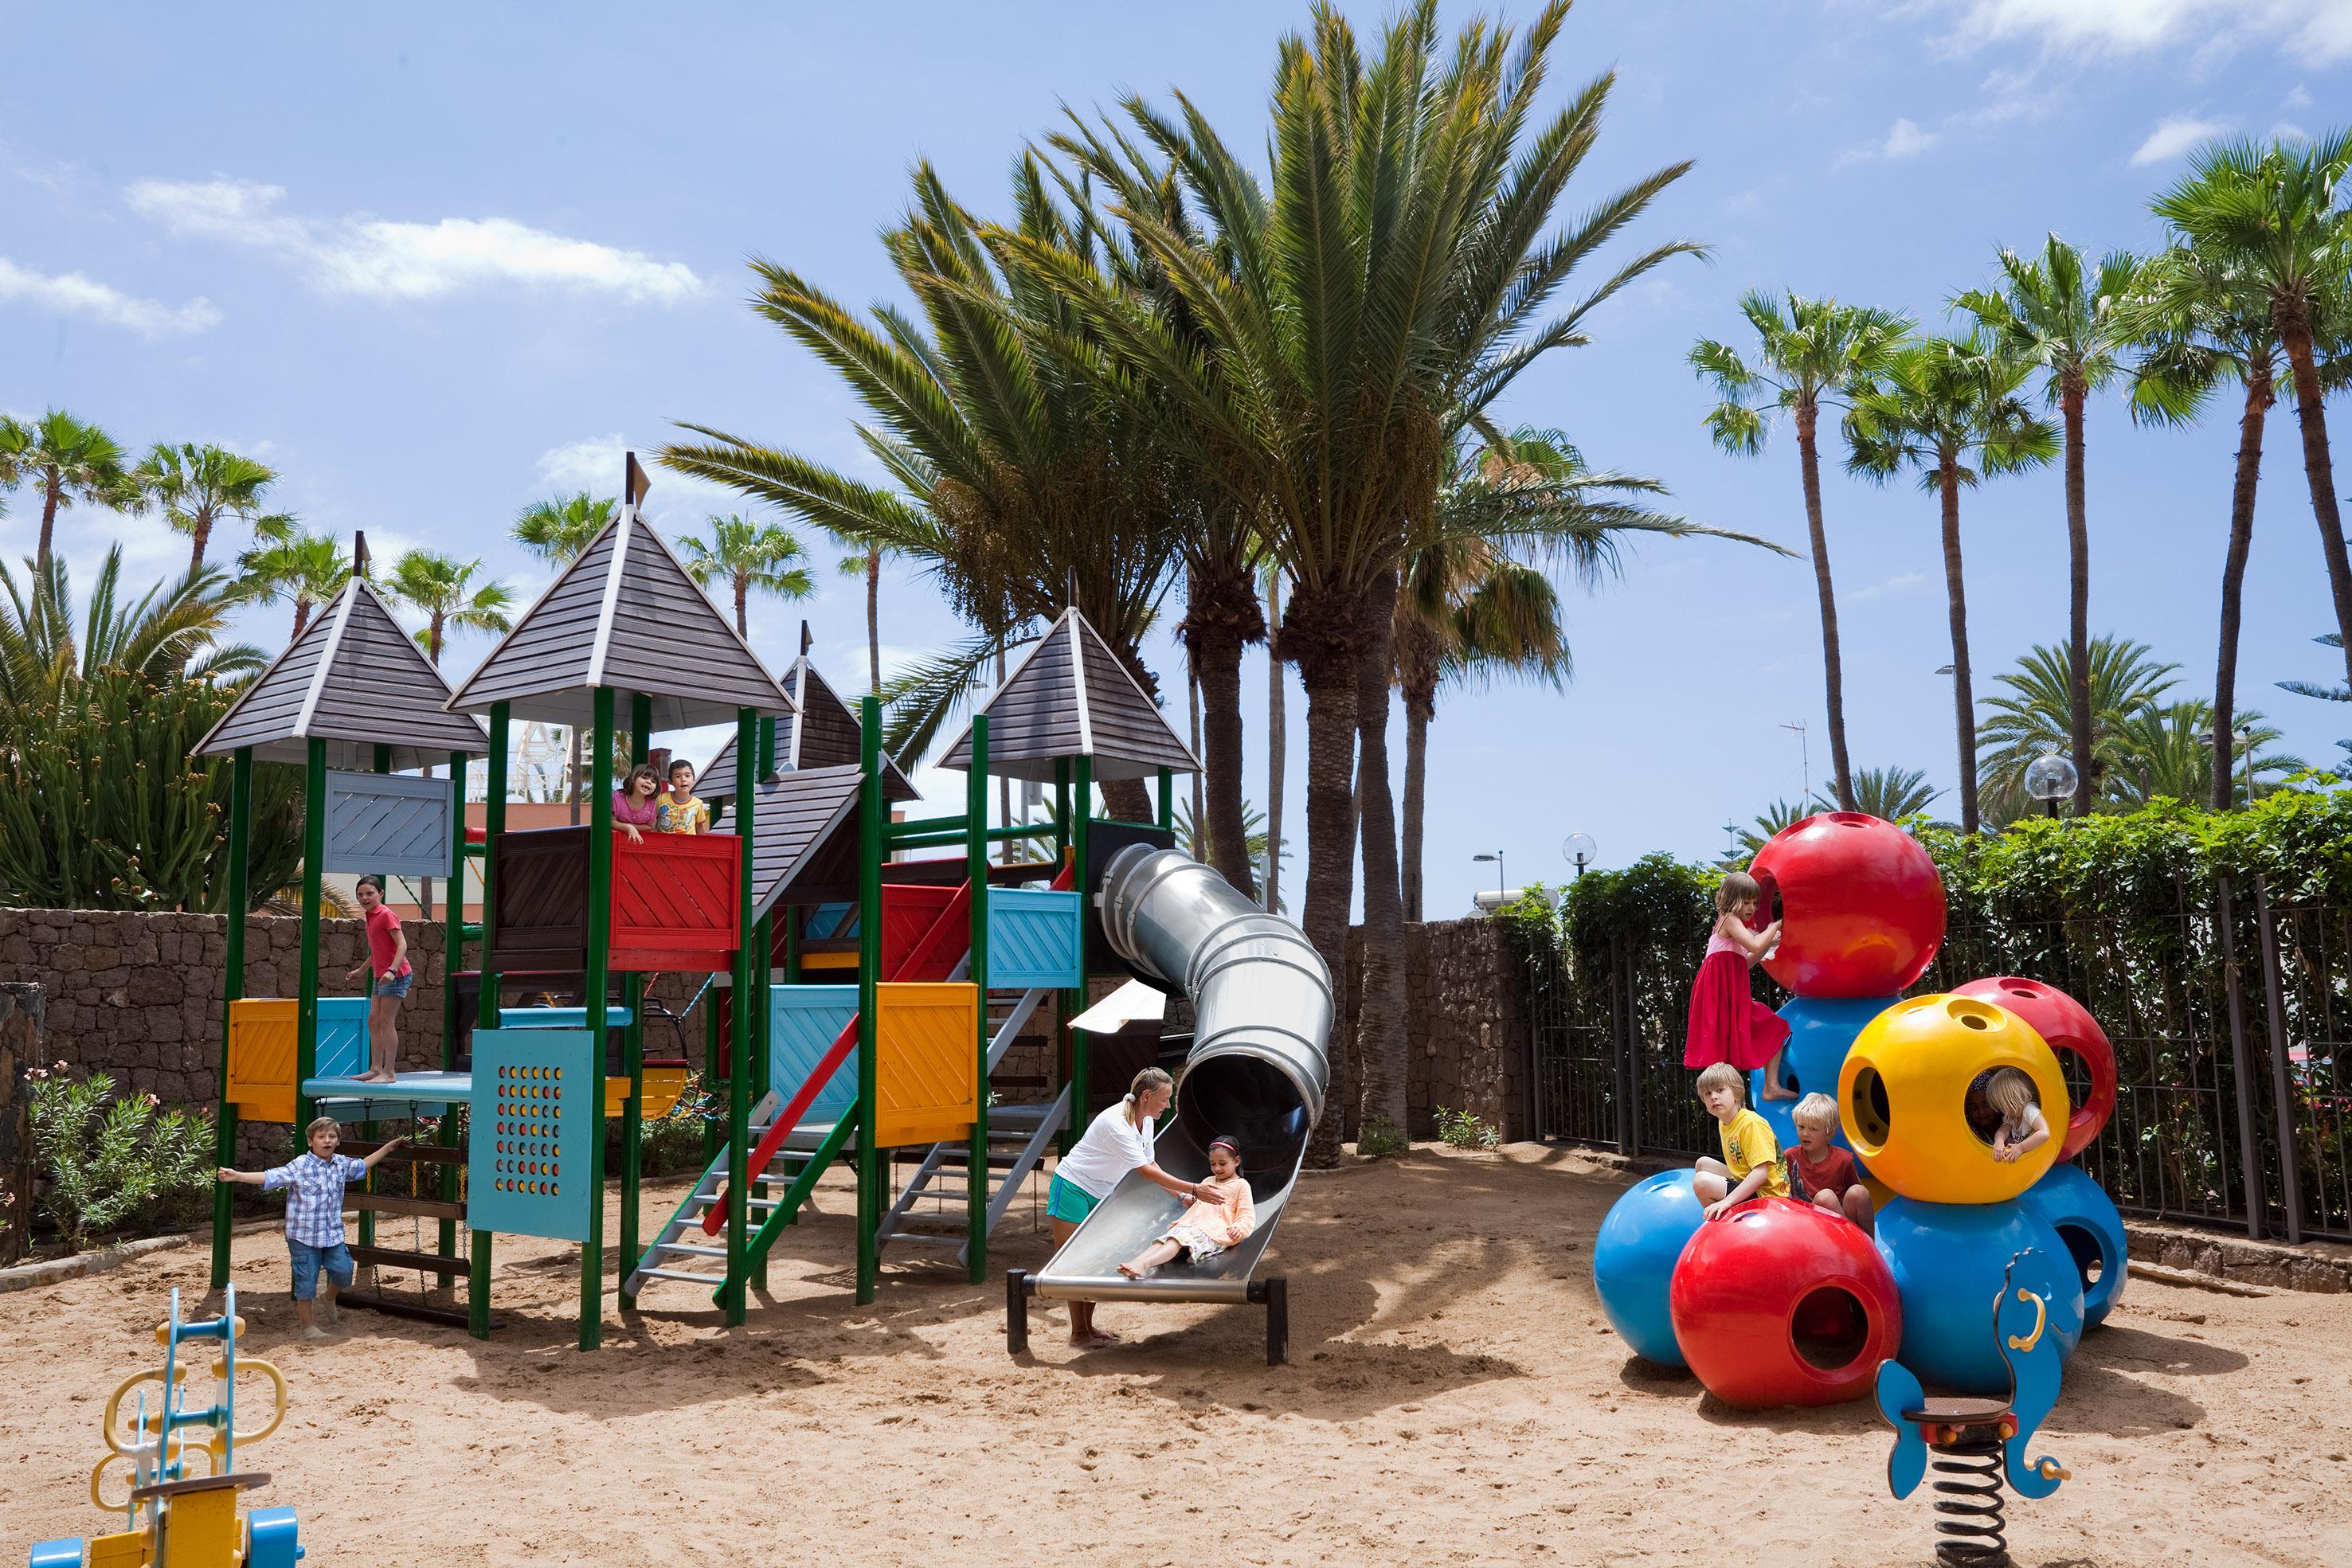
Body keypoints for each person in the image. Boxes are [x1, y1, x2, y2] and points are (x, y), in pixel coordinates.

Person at [1045, 1067, 1201, 1347]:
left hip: (1102, 1192)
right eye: (1164, 1100)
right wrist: (1193, 1188)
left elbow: (1152, 1164)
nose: (1167, 1106)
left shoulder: (1148, 1121)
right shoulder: (1115, 1123)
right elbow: (1145, 1172)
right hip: (1072, 1187)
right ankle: (1078, 1334)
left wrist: (1180, 1196)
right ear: (1145, 1096)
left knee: (1093, 1259)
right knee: (1072, 1262)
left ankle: (1088, 1328)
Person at [218, 1117, 405, 1339]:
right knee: (306, 1280)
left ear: (337, 1142)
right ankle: (309, 1327)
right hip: (303, 1236)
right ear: (310, 1141)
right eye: (321, 1137)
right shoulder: (300, 1166)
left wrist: (389, 1147)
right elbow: (271, 1177)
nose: (327, 1141)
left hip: (332, 1234)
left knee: (345, 1271)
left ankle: (328, 1297)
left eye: (332, 1137)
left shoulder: (341, 1164)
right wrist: (237, 1176)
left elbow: (363, 1165)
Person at [1685, 872, 1794, 1101]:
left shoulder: (1733, 930)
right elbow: (1754, 944)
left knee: (1774, 1026)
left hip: (1730, 996)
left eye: (1754, 902)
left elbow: (1746, 962)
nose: (1752, 907)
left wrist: (1767, 944)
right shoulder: (1729, 920)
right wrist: (1775, 926)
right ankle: (1744, 1093)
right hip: (1720, 995)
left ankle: (1770, 1087)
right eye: (1746, 902)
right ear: (1731, 901)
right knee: (1733, 1044)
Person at [1118, 1136, 1256, 1278]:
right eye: (1213, 1163)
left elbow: (1247, 1214)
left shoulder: (1241, 1185)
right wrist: (1191, 1199)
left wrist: (1239, 1228)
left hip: (1214, 1232)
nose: (1217, 1168)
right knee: (1164, 1240)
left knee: (1177, 1239)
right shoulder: (1208, 1181)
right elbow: (1200, 1204)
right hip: (1192, 1225)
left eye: (1222, 1163)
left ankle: (1145, 1264)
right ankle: (1136, 1262)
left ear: (1236, 1161)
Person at [1692, 1061, 1787, 1220]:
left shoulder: (1751, 1123)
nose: (1713, 1096)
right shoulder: (1724, 1122)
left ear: (1736, 1094)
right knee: (1702, 1163)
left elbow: (1761, 1174)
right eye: (1708, 1094)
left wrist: (1727, 1201)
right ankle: (1724, 1217)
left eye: (1720, 1090)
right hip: (1747, 1181)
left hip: (1768, 1197)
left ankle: (1724, 1223)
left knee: (1702, 1182)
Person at [345, 876, 408, 1084]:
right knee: (373, 1020)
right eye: (360, 894)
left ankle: (389, 1072)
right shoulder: (370, 916)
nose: (365, 898)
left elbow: (402, 945)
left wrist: (392, 969)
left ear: (381, 894)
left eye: (369, 893)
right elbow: (378, 951)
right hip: (380, 974)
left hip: (395, 975)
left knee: (385, 1021)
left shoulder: (386, 915)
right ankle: (375, 1068)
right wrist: (361, 971)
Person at [1785, 1092, 1873, 1234]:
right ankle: (1854, 1238)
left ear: (1829, 1133)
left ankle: (1869, 1244)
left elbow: (1860, 1200)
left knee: (1859, 1192)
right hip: (1809, 1225)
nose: (1805, 1134)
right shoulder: (1790, 1156)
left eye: (1813, 1129)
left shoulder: (1844, 1159)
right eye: (1801, 1127)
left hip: (1838, 1224)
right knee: (1825, 1197)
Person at [1986, 1067, 2051, 1163]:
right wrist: (1999, 1142)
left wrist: (2021, 1148)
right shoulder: (2013, 1115)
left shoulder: (2029, 1110)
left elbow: (2044, 1133)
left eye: (2001, 1105)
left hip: (2041, 1161)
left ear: (2011, 1100)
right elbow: (2003, 1131)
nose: (2000, 1109)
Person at [613, 763, 662, 843]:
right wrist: (628, 828)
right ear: (633, 778)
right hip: (618, 841)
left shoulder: (651, 803)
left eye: (653, 781)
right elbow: (611, 822)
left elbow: (650, 827)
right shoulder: (617, 798)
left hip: (641, 842)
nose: (649, 782)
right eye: (644, 778)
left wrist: (632, 828)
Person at [658, 758, 709, 835]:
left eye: (687, 776)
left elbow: (699, 827)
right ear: (670, 781)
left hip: (688, 845)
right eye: (678, 776)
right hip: (665, 844)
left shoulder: (698, 803)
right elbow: (652, 821)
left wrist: (704, 845)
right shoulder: (661, 799)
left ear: (693, 779)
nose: (683, 779)